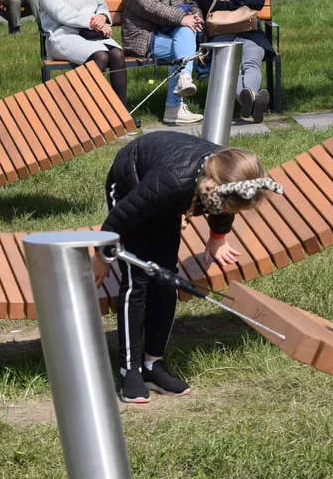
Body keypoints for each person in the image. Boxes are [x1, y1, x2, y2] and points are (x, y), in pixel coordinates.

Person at [92, 132, 282, 403]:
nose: (228, 211)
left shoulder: (227, 175)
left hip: (167, 199)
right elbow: (122, 217)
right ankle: (129, 369)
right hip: (130, 185)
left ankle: (152, 365)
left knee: (166, 278)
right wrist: (101, 257)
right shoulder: (171, 182)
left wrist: (217, 239)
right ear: (213, 191)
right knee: (138, 280)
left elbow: (224, 209)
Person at [36, 0, 128, 106]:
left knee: (117, 54)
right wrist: (93, 21)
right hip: (63, 37)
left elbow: (100, 3)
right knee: (100, 57)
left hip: (92, 35)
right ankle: (93, 112)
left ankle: (122, 112)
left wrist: (102, 17)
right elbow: (61, 12)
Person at [122, 0, 204, 126]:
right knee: (184, 47)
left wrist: (196, 15)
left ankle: (184, 78)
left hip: (174, 33)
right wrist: (182, 18)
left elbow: (190, 1)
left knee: (186, 33)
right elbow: (149, 7)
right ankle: (174, 107)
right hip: (145, 37)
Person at [196, 0, 276, 123]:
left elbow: (258, 1)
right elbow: (209, 5)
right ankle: (254, 102)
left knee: (252, 61)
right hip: (221, 36)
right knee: (231, 68)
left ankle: (250, 100)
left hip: (250, 33)